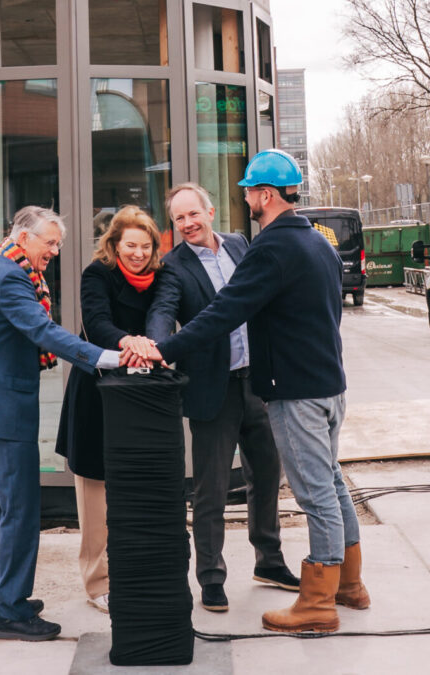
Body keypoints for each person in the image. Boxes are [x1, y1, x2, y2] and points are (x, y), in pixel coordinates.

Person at [151, 150, 369, 634]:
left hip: (293, 392)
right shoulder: (318, 243)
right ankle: (350, 586)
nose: (246, 198)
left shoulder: (267, 247)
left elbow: (224, 311)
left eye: (249, 191)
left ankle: (318, 603)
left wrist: (164, 350)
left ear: (266, 195)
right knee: (332, 483)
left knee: (315, 495)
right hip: (329, 384)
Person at [0, 206, 129, 642]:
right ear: (23, 237)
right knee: (21, 512)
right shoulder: (11, 278)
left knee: (1, 507)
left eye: (58, 244)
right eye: (49, 242)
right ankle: (10, 613)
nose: (55, 250)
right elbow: (42, 331)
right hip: (0, 409)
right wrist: (104, 357)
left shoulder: (5, 268)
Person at [145, 183, 298, 613]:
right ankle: (211, 576)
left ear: (210, 211)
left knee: (267, 475)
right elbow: (162, 310)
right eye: (179, 219)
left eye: (194, 214)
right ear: (173, 224)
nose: (188, 223)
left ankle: (269, 561)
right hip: (212, 389)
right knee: (211, 489)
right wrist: (158, 347)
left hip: (259, 383)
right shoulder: (172, 266)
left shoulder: (239, 244)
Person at [55, 206, 163, 615]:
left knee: (135, 490)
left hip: (140, 394)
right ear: (114, 244)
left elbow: (163, 318)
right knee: (95, 495)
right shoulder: (96, 275)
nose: (137, 253)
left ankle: (133, 571)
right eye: (130, 245)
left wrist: (147, 344)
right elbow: (97, 326)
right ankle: (97, 582)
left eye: (145, 245)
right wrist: (135, 344)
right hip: (96, 394)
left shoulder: (161, 277)